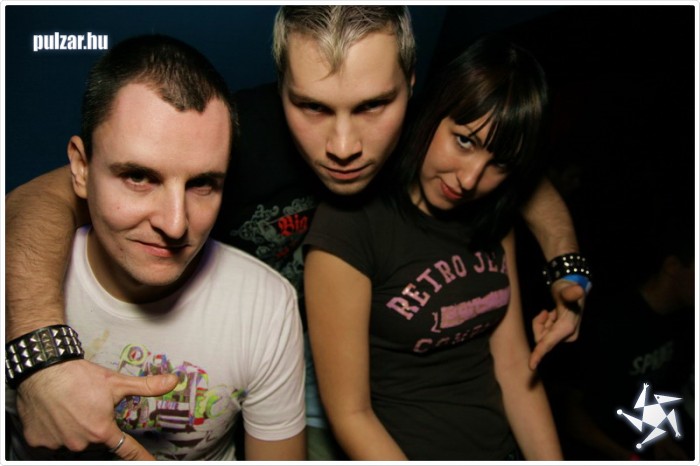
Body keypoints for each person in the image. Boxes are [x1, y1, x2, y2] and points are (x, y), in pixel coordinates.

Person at [5, 6, 587, 460]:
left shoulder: (429, 135)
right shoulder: (231, 134)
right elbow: (41, 198)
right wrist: (43, 359)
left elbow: (518, 177)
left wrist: (568, 267)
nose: (344, 146)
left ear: (411, 87)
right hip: (235, 381)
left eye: (373, 106)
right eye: (312, 107)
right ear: (280, 86)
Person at [4, 34, 306, 461]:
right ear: (81, 168)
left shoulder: (265, 307)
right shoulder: (16, 280)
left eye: (203, 183)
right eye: (139, 177)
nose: (176, 223)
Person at [303, 35, 562, 460]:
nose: (470, 179)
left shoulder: (491, 219)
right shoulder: (351, 226)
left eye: (499, 163)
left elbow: (515, 368)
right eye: (464, 141)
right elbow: (351, 414)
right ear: (430, 111)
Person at [552, 211, 694, 461]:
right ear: (673, 266)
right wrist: (626, 457)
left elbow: (642, 392)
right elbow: (570, 410)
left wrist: (659, 436)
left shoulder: (681, 321)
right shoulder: (608, 322)